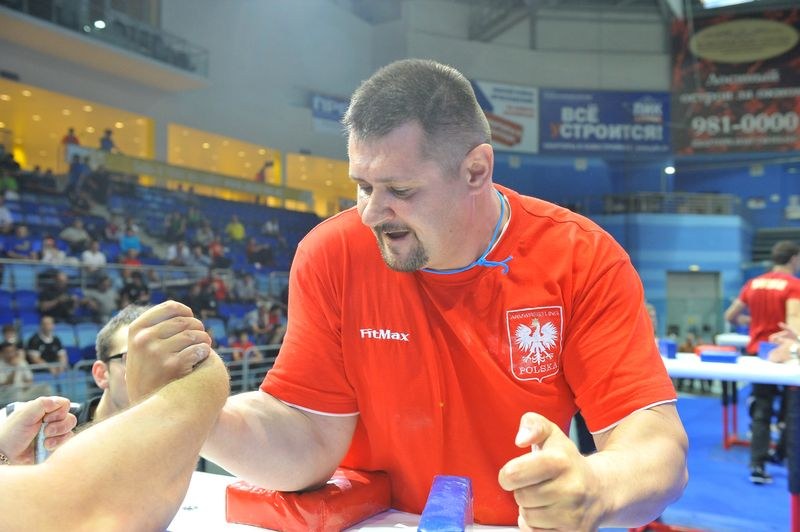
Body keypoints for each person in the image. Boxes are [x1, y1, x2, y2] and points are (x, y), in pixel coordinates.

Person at [200, 59, 688, 529]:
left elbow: (656, 446)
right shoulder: (331, 253)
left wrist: (597, 487)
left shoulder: (581, 258)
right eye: (363, 186)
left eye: (400, 190)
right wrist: (198, 415)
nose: (371, 213)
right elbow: (307, 433)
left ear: (476, 170)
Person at [0, 302, 230, 530]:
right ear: (102, 374)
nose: (159, 366)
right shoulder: (26, 425)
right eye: (133, 358)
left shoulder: (182, 440)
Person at [724, 240, 800, 484]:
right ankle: (784, 456)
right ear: (793, 259)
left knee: (762, 409)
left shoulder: (753, 283)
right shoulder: (793, 285)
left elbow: (730, 316)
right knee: (791, 409)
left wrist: (754, 321)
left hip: (759, 353)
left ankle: (757, 465)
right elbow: (793, 324)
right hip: (784, 355)